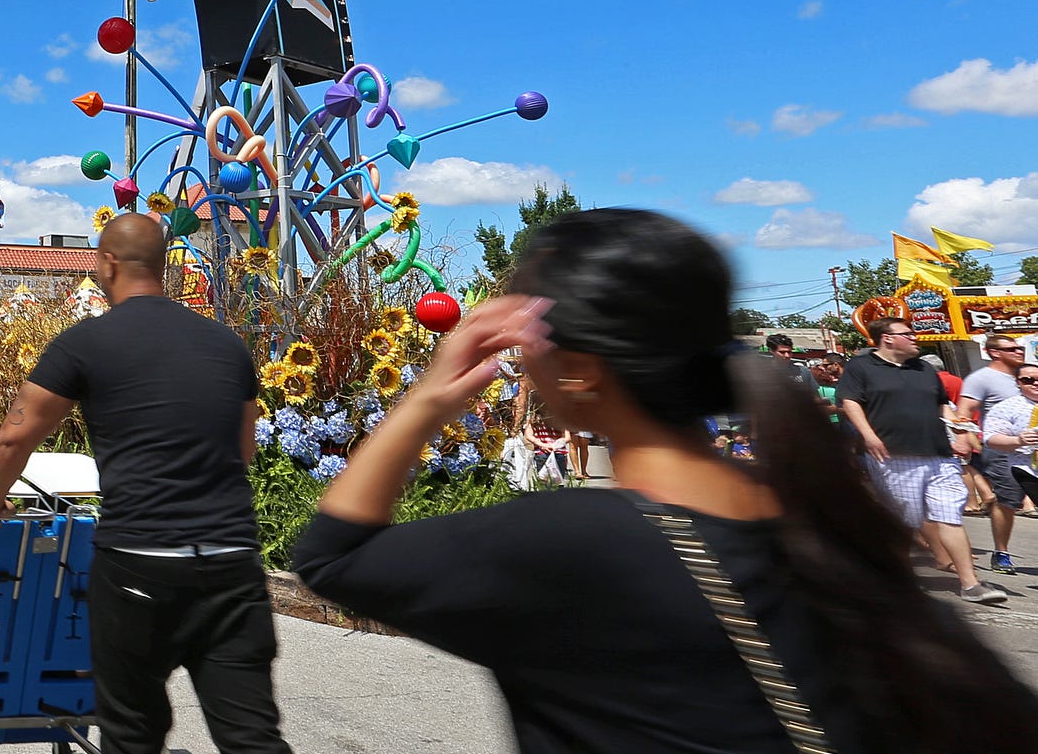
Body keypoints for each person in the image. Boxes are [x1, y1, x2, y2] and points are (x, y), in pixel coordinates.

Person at [294, 208, 1038, 752]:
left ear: (580, 368)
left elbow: (330, 556)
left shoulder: (565, 541)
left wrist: (426, 396)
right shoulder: (824, 519)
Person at [0, 215, 288, 754]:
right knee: (251, 735)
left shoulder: (83, 344)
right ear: (161, 263)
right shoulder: (227, 345)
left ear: (109, 263)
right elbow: (243, 449)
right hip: (232, 562)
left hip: (140, 561)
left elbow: (10, 441)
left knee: (132, 732)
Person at [839, 317, 1002, 602]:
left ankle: (970, 584)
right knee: (904, 522)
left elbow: (944, 408)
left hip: (939, 456)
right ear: (887, 338)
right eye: (908, 334)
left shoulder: (925, 368)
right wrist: (868, 435)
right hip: (894, 457)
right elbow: (850, 402)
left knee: (950, 516)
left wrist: (962, 433)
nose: (915, 338)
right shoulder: (860, 367)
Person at [957, 333, 1028, 572]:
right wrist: (968, 439)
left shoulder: (1029, 374)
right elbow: (964, 411)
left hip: (1033, 450)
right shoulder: (981, 378)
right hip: (1003, 450)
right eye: (1012, 349)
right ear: (994, 352)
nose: (1019, 351)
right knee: (1007, 502)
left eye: (1019, 348)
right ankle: (1001, 553)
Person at [980, 362, 1038, 512]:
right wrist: (1018, 441)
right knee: (1007, 504)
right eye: (1028, 380)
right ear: (1018, 382)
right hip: (1028, 468)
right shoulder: (1006, 407)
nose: (1035, 383)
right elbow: (991, 438)